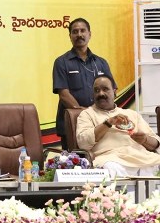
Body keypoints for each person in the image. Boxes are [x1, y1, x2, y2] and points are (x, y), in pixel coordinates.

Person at [77, 74, 160, 177]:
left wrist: (145, 139)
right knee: (110, 168)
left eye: (105, 89)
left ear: (114, 91)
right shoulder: (87, 114)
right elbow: (83, 143)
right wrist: (108, 123)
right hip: (112, 159)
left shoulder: (132, 114)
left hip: (143, 158)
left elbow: (156, 143)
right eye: (96, 90)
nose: (101, 93)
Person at [52, 18, 114, 149]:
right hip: (72, 123)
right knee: (74, 160)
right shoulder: (61, 62)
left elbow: (112, 90)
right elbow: (63, 94)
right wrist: (86, 113)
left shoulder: (101, 62)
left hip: (99, 123)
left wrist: (98, 115)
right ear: (70, 36)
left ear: (89, 34)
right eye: (75, 32)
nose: (79, 34)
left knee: (100, 156)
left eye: (82, 31)